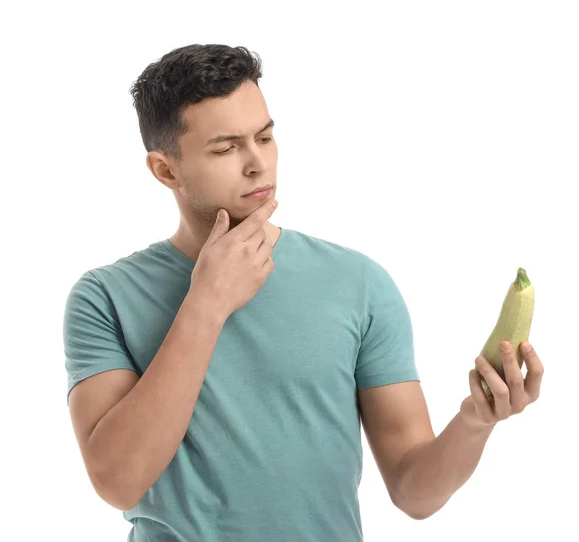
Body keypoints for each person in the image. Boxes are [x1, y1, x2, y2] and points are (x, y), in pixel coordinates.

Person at [63, 43, 544, 541]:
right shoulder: (104, 297)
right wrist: (206, 303)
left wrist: (474, 421)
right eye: (226, 148)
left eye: (265, 137)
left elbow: (413, 492)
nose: (257, 164)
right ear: (166, 170)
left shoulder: (358, 283)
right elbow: (118, 482)